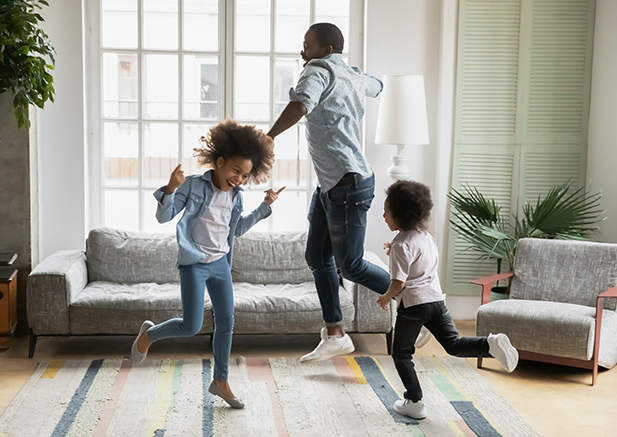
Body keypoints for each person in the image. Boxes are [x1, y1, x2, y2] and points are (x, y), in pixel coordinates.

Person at [131, 120, 281, 409]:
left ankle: (221, 380)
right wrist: (171, 189)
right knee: (191, 326)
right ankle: (149, 335)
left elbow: (236, 230)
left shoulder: (236, 197)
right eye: (236, 171)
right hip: (195, 264)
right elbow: (165, 217)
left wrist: (265, 208)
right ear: (220, 162)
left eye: (245, 175)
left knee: (226, 323)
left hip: (220, 264)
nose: (239, 178)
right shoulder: (193, 186)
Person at [267, 22, 390, 363]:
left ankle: (416, 300)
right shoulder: (349, 74)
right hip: (335, 183)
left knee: (348, 265)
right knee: (316, 257)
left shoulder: (318, 69)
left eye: (307, 45)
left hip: (347, 184)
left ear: (325, 50)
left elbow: (301, 103)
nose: (302, 52)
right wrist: (370, 79)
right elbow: (377, 86)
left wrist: (269, 136)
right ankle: (335, 333)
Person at [376, 180, 518, 420]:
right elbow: (418, 258)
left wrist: (385, 298)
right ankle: (489, 345)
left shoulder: (401, 245)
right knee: (453, 344)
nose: (383, 215)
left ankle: (415, 401)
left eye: (386, 211)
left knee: (401, 354)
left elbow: (399, 283)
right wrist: (396, 246)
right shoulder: (425, 237)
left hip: (413, 307)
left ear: (400, 215)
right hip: (436, 302)